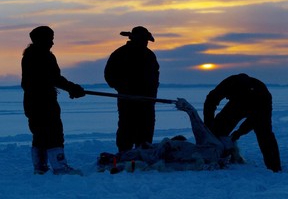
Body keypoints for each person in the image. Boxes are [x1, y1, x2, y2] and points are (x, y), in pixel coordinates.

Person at [97, 98, 244, 173]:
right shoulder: (215, 158)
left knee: (145, 153)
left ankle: (114, 159)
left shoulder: (215, 147)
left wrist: (188, 108)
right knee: (144, 155)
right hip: (176, 155)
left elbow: (200, 128)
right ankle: (115, 160)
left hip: (173, 151)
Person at [21, 26, 85, 175]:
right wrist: (72, 88)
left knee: (40, 134)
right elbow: (53, 78)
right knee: (54, 133)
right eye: (50, 39)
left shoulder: (30, 55)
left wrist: (70, 88)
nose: (52, 43)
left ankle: (40, 167)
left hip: (32, 102)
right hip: (43, 102)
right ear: (40, 40)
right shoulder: (42, 56)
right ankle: (60, 167)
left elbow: (51, 79)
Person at [203, 73, 281, 172]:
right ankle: (216, 156)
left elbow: (254, 120)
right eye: (228, 96)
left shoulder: (261, 94)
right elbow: (211, 100)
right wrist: (208, 124)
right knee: (218, 128)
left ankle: (274, 166)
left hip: (259, 105)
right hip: (236, 104)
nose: (227, 98)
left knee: (264, 134)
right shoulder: (229, 83)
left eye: (229, 97)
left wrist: (239, 132)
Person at [104, 26, 160, 152]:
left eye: (146, 40)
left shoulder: (149, 55)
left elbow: (155, 75)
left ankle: (143, 153)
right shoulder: (120, 54)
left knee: (146, 127)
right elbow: (109, 75)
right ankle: (124, 153)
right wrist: (123, 89)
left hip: (147, 100)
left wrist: (152, 94)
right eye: (144, 40)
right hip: (127, 99)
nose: (146, 43)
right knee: (127, 126)